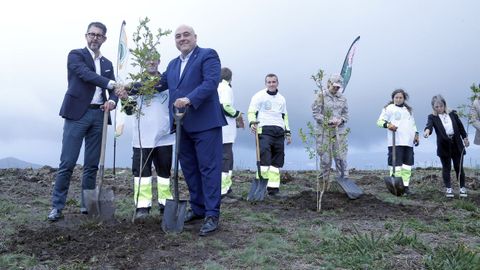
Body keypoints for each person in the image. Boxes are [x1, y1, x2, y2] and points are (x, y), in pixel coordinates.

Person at [158, 25, 226, 236]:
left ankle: (212, 214)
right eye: (178, 36)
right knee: (190, 169)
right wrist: (132, 88)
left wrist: (189, 99)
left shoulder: (207, 55)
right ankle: (198, 209)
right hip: (182, 125)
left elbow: (211, 82)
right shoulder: (172, 64)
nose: (182, 38)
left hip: (205, 123)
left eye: (186, 35)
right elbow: (159, 84)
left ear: (195, 37)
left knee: (209, 168)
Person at [48, 22, 119, 221]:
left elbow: (113, 90)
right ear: (86, 36)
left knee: (91, 165)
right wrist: (110, 83)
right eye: (92, 34)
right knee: (67, 162)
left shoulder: (107, 64)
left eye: (99, 35)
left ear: (104, 39)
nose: (95, 38)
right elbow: (86, 75)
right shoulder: (76, 55)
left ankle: (87, 206)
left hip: (99, 115)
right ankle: (57, 206)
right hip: (77, 114)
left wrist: (113, 100)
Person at [116, 52, 174, 219]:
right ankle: (142, 206)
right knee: (142, 172)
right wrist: (124, 98)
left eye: (154, 59)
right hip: (142, 137)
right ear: (143, 61)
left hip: (164, 136)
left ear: (158, 60)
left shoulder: (166, 82)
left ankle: (165, 203)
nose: (151, 62)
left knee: (164, 172)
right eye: (147, 59)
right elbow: (129, 110)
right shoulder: (134, 85)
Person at [247, 73, 291, 196]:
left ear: (277, 83)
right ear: (266, 83)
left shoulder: (282, 98)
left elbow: (285, 116)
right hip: (264, 130)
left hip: (279, 131)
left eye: (274, 82)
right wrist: (252, 123)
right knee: (264, 159)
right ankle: (260, 188)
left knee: (276, 163)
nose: (271, 84)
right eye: (269, 82)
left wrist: (288, 132)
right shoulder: (259, 96)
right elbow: (251, 111)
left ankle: (273, 189)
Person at [424, 95, 469, 198]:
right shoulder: (432, 117)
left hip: (456, 144)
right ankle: (449, 188)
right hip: (444, 145)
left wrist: (465, 138)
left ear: (444, 105)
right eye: (436, 107)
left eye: (441, 106)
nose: (439, 108)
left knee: (459, 166)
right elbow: (429, 126)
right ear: (433, 107)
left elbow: (460, 126)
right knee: (446, 167)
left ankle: (462, 188)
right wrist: (427, 131)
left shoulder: (453, 113)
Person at [377, 89, 419, 195]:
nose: (398, 99)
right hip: (395, 141)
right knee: (396, 165)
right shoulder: (388, 108)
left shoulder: (408, 110)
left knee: (407, 166)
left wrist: (416, 135)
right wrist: (388, 125)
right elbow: (379, 121)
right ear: (393, 98)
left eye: (400, 97)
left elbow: (413, 124)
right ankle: (395, 186)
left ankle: (405, 187)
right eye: (396, 97)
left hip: (408, 142)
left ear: (404, 99)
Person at [311, 74, 349, 180]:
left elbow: (346, 115)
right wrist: (328, 121)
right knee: (326, 158)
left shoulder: (343, 98)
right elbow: (316, 113)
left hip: (339, 131)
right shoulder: (321, 96)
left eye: (338, 87)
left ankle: (343, 179)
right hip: (323, 131)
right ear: (329, 84)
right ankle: (324, 181)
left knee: (341, 156)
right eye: (334, 86)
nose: (336, 88)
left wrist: (341, 120)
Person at [217, 67, 243, 197]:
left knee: (227, 158)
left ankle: (227, 188)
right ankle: (223, 191)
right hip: (225, 130)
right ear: (230, 77)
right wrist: (237, 114)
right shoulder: (225, 88)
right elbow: (225, 106)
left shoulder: (218, 87)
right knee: (225, 159)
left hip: (222, 129)